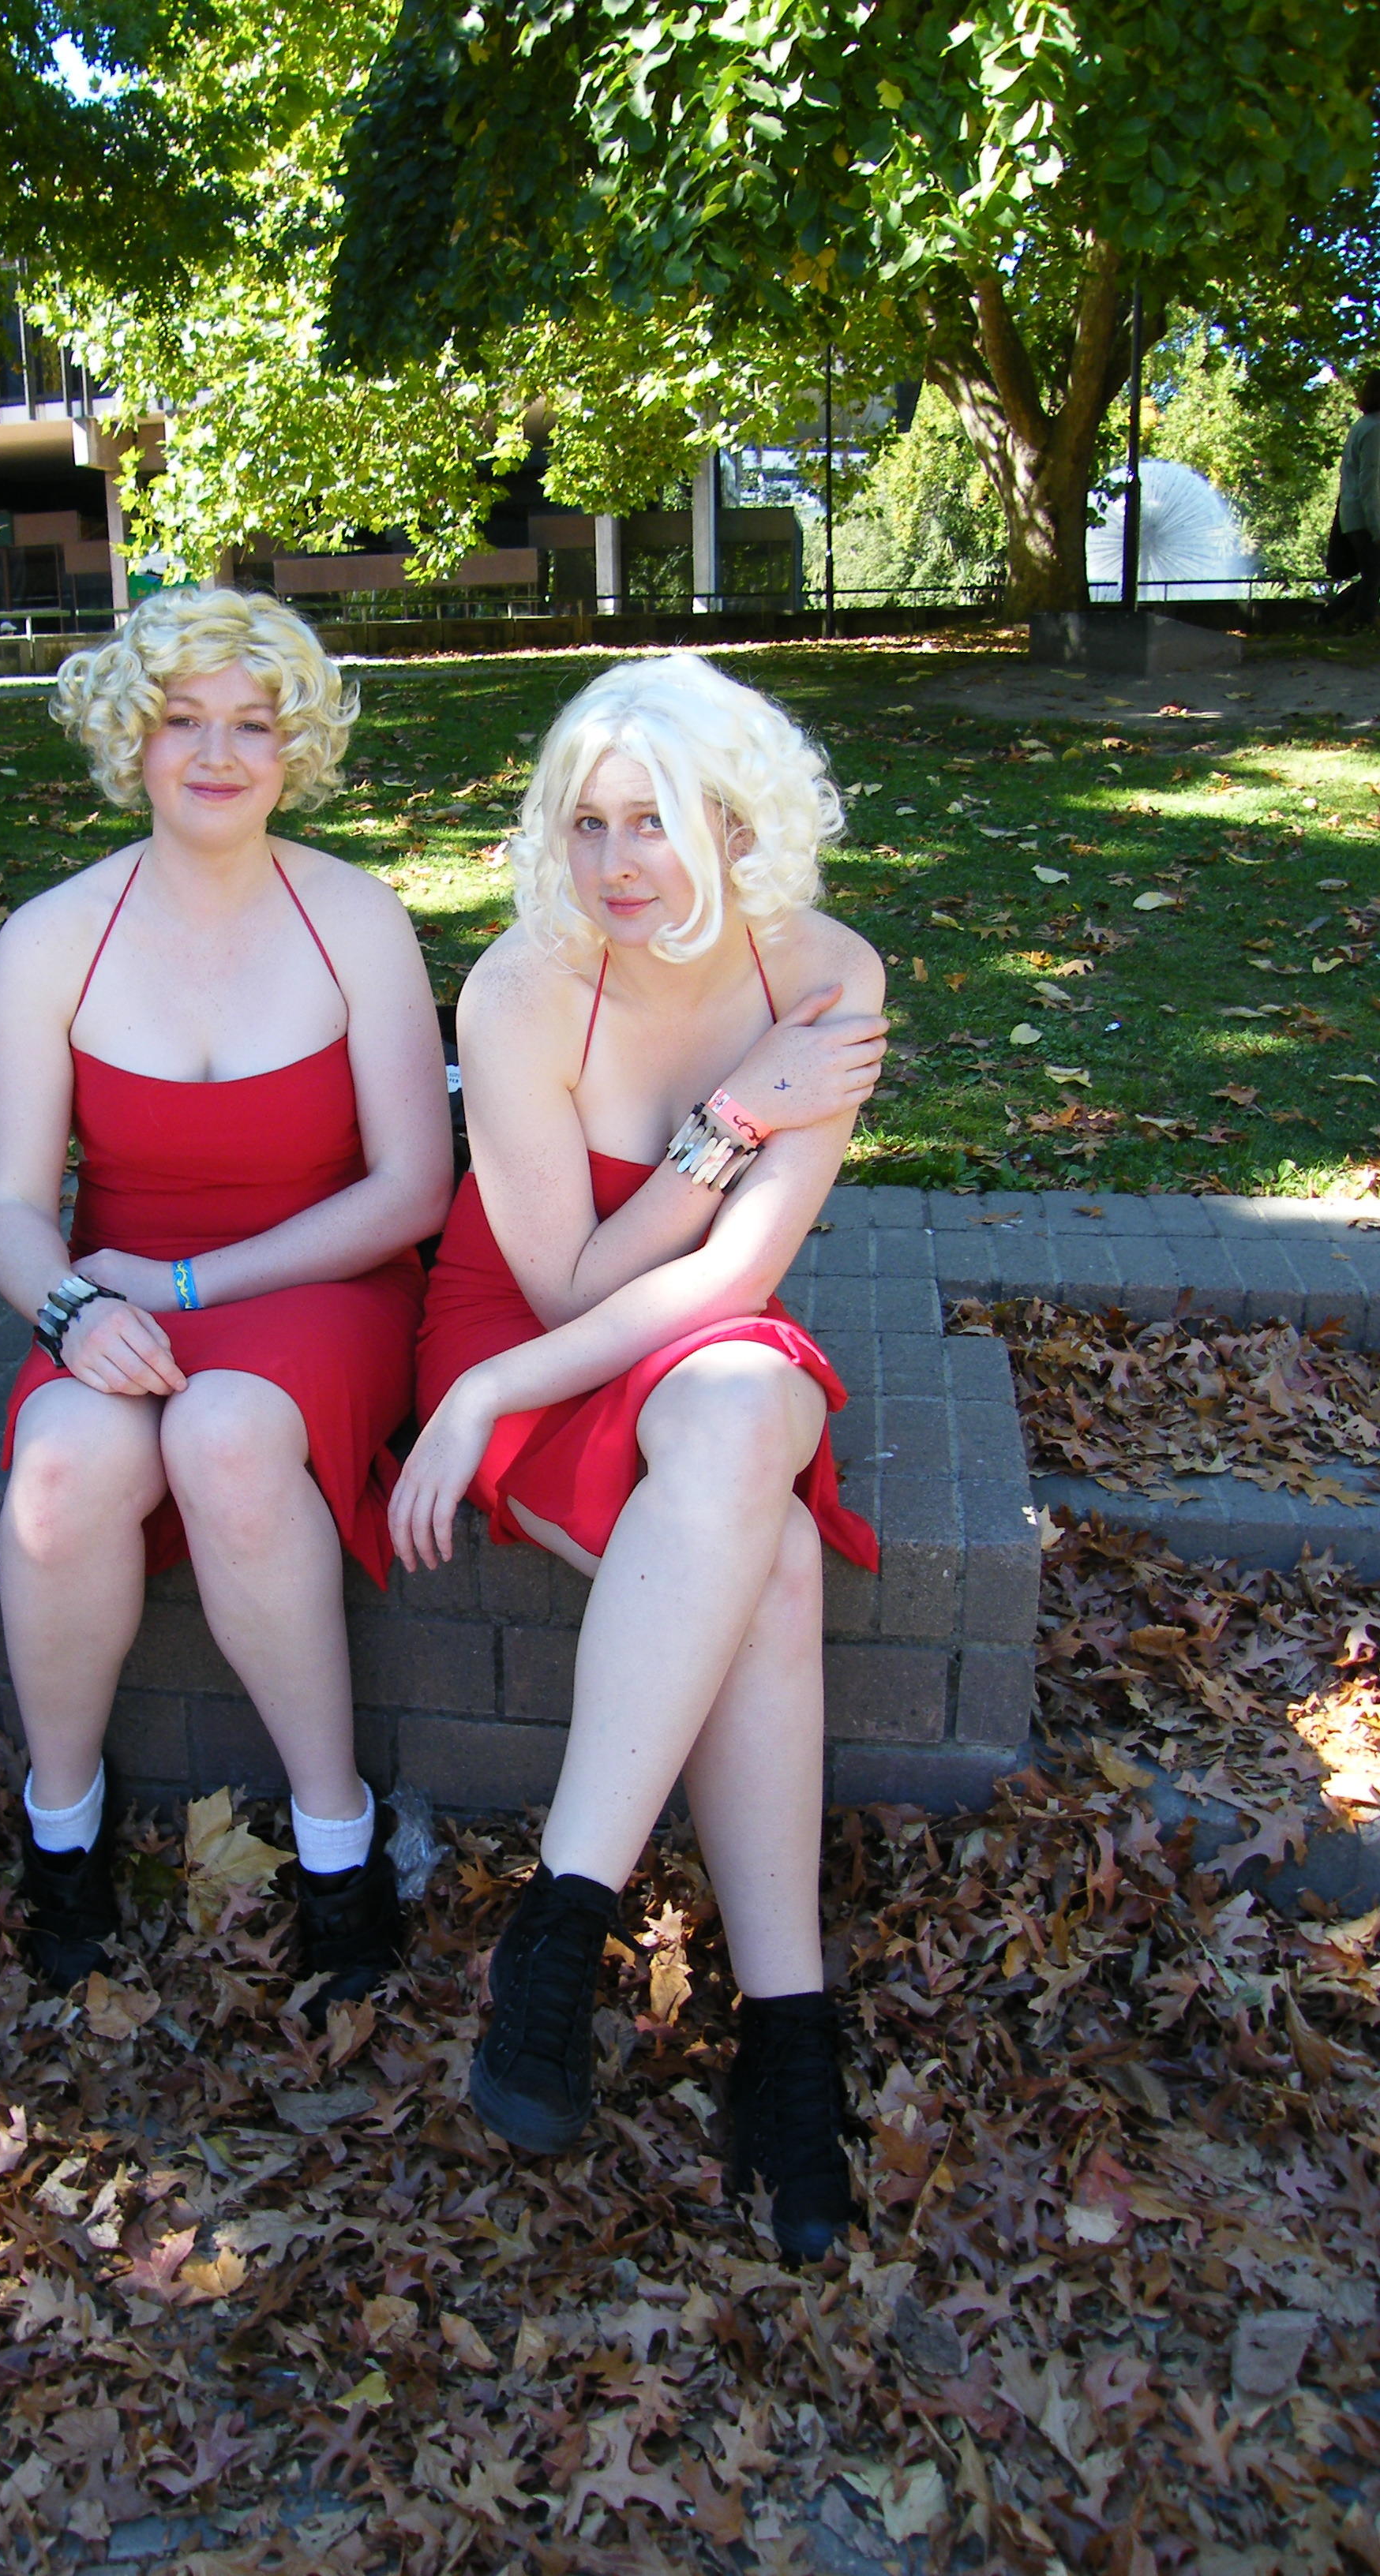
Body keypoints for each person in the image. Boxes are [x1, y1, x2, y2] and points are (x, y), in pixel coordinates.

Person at [396, 653, 886, 2263]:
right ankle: (789, 2048)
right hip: (530, 1325)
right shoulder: (521, 986)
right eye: (587, 822)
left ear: (738, 823)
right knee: (773, 1551)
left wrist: (735, 1123)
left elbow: (733, 1279)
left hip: (696, 1333)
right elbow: (566, 1290)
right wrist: (730, 1118)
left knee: (739, 1410)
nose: (615, 865)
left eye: (656, 820)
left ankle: (558, 1932)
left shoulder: (829, 973)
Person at [0, 586, 452, 2004]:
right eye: (182, 719)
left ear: (293, 746)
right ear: (130, 736)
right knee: (60, 1469)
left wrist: (191, 1281)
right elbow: (9, 1206)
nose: (216, 753)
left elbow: (413, 1189)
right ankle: (60, 1830)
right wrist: (69, 1312)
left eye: (253, 723)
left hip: (322, 1279)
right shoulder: (50, 936)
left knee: (228, 1434)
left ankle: (337, 1841)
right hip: (115, 1293)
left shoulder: (355, 916)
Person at [1329, 373, 1380, 631]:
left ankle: (1328, 617)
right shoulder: (1375, 429)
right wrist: (1376, 526)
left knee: (1374, 575)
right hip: (1365, 516)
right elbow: (1370, 482)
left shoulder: (1364, 425)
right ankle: (1360, 624)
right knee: (1374, 575)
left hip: (1354, 513)